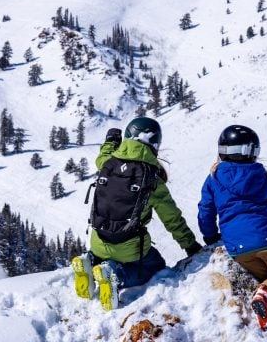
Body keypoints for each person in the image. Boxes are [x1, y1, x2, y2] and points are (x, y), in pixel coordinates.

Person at [72, 117, 202, 311]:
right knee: (155, 266)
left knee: (106, 251)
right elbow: (172, 219)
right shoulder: (152, 180)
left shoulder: (107, 163)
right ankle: (116, 276)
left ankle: (90, 260)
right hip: (129, 247)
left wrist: (111, 140)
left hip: (98, 239)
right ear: (155, 144)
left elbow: (103, 155)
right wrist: (190, 246)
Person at [197, 124, 267, 336]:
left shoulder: (213, 178)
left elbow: (206, 211)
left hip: (238, 248)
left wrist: (211, 236)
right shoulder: (263, 177)